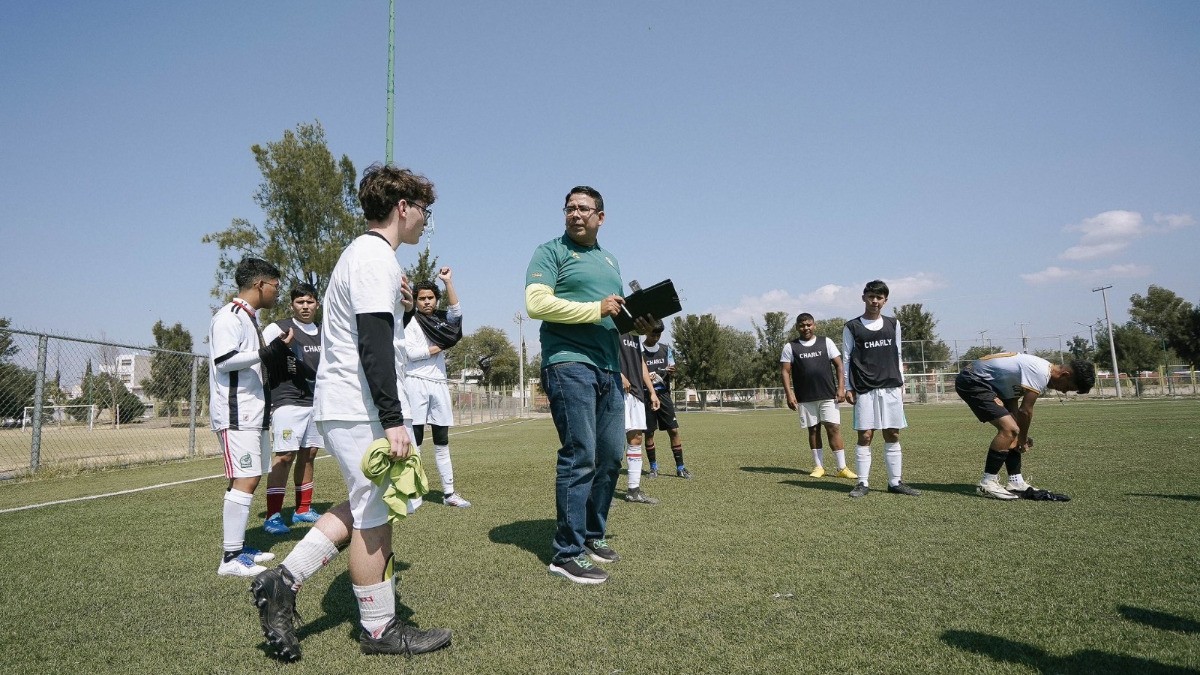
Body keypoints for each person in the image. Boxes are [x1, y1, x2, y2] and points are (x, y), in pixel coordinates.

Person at [250, 164, 451, 662]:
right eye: (423, 210)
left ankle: (283, 580)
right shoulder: (373, 257)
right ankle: (379, 629)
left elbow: (378, 334)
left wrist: (406, 308)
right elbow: (373, 344)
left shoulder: (369, 257)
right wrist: (393, 418)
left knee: (366, 504)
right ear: (402, 208)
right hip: (360, 408)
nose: (426, 220)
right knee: (375, 516)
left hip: (349, 405)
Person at [525, 185, 654, 585]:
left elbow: (616, 318)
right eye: (570, 208)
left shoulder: (610, 261)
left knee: (611, 455)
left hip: (609, 368)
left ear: (601, 216)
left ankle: (592, 534)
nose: (575, 214)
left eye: (584, 208)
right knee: (580, 454)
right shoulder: (550, 252)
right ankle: (566, 553)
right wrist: (596, 308)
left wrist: (639, 325)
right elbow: (536, 304)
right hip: (568, 363)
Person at [209, 257, 293, 576]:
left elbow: (253, 362)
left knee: (250, 477)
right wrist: (265, 352)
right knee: (245, 478)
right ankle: (230, 559)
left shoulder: (249, 318)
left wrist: (274, 355)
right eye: (275, 286)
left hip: (254, 413)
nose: (277, 291)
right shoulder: (229, 317)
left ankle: (239, 547)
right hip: (236, 413)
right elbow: (223, 360)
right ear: (259, 284)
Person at [955, 352, 1095, 500]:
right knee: (1010, 429)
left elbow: (1013, 403)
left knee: (1014, 429)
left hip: (985, 383)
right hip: (972, 380)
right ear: (1065, 374)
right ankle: (987, 483)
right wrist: (1022, 438)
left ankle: (1015, 482)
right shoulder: (1041, 372)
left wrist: (1021, 435)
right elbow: (1025, 411)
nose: (1064, 391)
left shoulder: (1037, 371)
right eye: (1068, 387)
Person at [843, 280, 920, 498]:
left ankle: (895, 482)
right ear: (864, 298)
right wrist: (848, 386)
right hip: (864, 388)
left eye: (879, 297)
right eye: (871, 297)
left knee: (892, 433)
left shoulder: (893, 324)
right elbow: (847, 358)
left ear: (885, 300)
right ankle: (862, 483)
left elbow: (898, 353)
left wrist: (901, 382)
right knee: (866, 435)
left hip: (890, 386)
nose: (874, 301)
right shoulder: (852, 327)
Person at [261, 283, 324, 535]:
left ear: (317, 304)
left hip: (316, 402)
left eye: (309, 302)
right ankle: (273, 516)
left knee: (309, 454)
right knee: (285, 456)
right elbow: (260, 356)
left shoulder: (324, 331)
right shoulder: (278, 328)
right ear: (292, 305)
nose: (305, 306)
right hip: (287, 401)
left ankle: (303, 509)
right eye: (300, 302)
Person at [404, 268, 470, 508]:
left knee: (442, 440)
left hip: (439, 383)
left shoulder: (442, 321)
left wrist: (448, 282)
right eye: (422, 298)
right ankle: (413, 493)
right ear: (415, 300)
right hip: (415, 382)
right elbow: (411, 354)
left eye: (430, 297)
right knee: (416, 441)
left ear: (436, 299)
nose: (427, 302)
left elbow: (457, 313)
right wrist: (439, 347)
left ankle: (449, 493)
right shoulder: (409, 321)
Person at [780, 313, 857, 480]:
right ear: (797, 327)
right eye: (802, 325)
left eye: (809, 325)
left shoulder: (826, 342)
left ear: (814, 325)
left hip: (828, 395)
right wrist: (789, 394)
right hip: (805, 397)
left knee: (833, 428)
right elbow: (785, 372)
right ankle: (818, 466)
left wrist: (841, 388)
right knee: (813, 430)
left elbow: (839, 365)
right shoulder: (790, 347)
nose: (806, 328)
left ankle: (842, 467)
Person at [641, 321, 692, 479]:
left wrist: (672, 370)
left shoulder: (666, 349)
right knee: (649, 433)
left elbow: (672, 368)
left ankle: (680, 467)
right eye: (653, 334)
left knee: (674, 430)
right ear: (646, 332)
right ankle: (653, 468)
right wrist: (645, 378)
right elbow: (635, 373)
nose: (655, 337)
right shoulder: (639, 350)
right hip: (646, 396)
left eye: (658, 335)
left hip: (664, 395)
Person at [619, 330, 660, 504]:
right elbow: (601, 352)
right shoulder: (611, 325)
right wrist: (618, 374)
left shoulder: (635, 333)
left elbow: (641, 362)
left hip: (636, 393)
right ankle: (601, 491)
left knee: (636, 439)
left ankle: (633, 490)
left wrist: (652, 391)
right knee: (609, 443)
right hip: (615, 390)